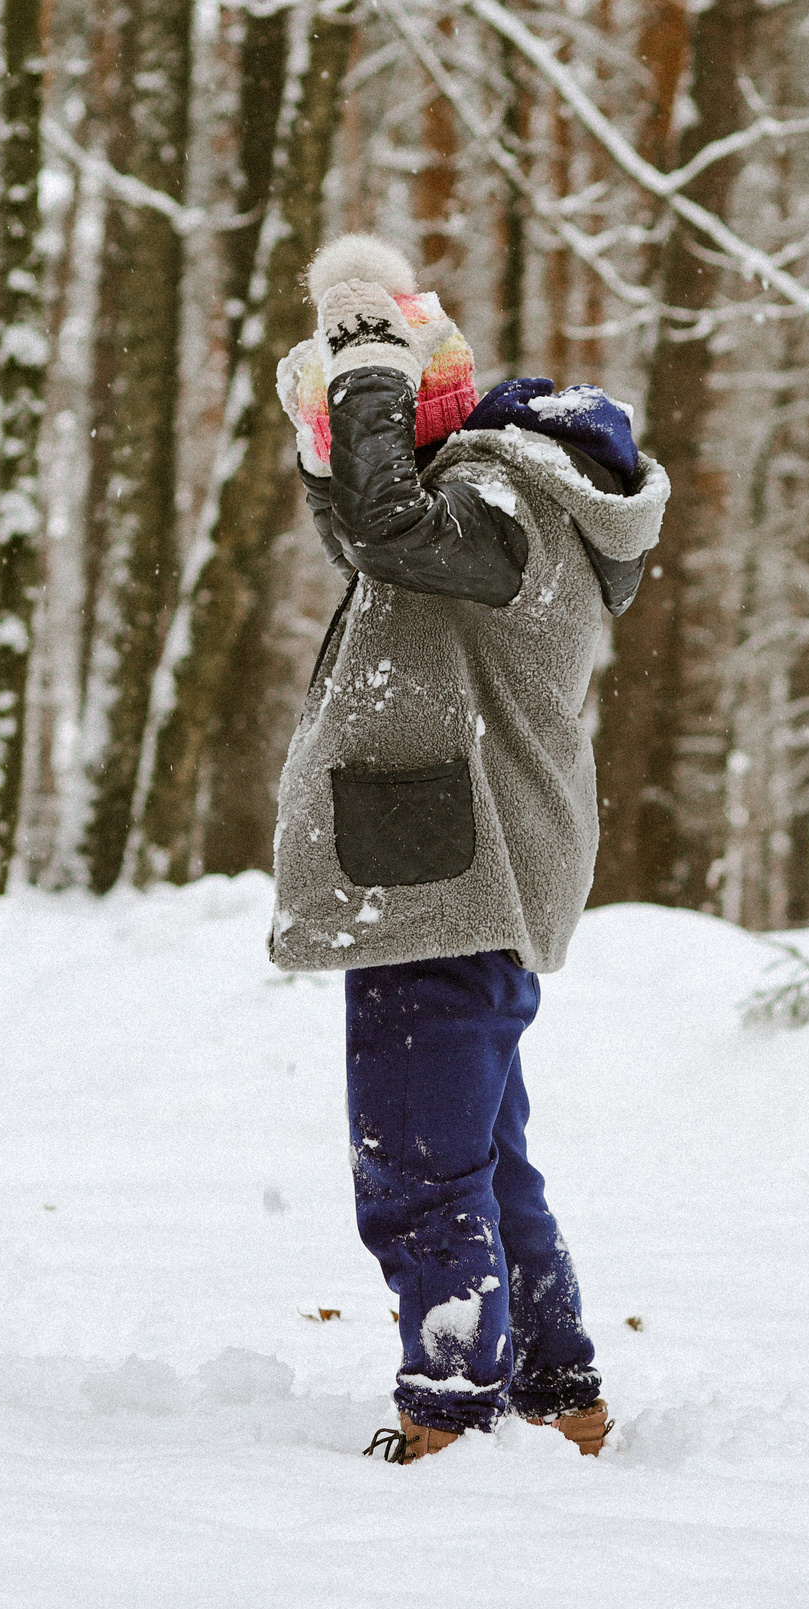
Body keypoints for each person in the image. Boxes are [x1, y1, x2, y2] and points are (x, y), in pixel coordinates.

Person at [270, 234, 671, 1463]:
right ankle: (557, 1392)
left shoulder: (500, 501)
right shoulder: (510, 500)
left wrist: (366, 360)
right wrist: (339, 421)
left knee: (417, 1170)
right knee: (483, 1163)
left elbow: (383, 519)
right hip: (454, 867)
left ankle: (446, 1412)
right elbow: (368, 524)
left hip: (449, 874)